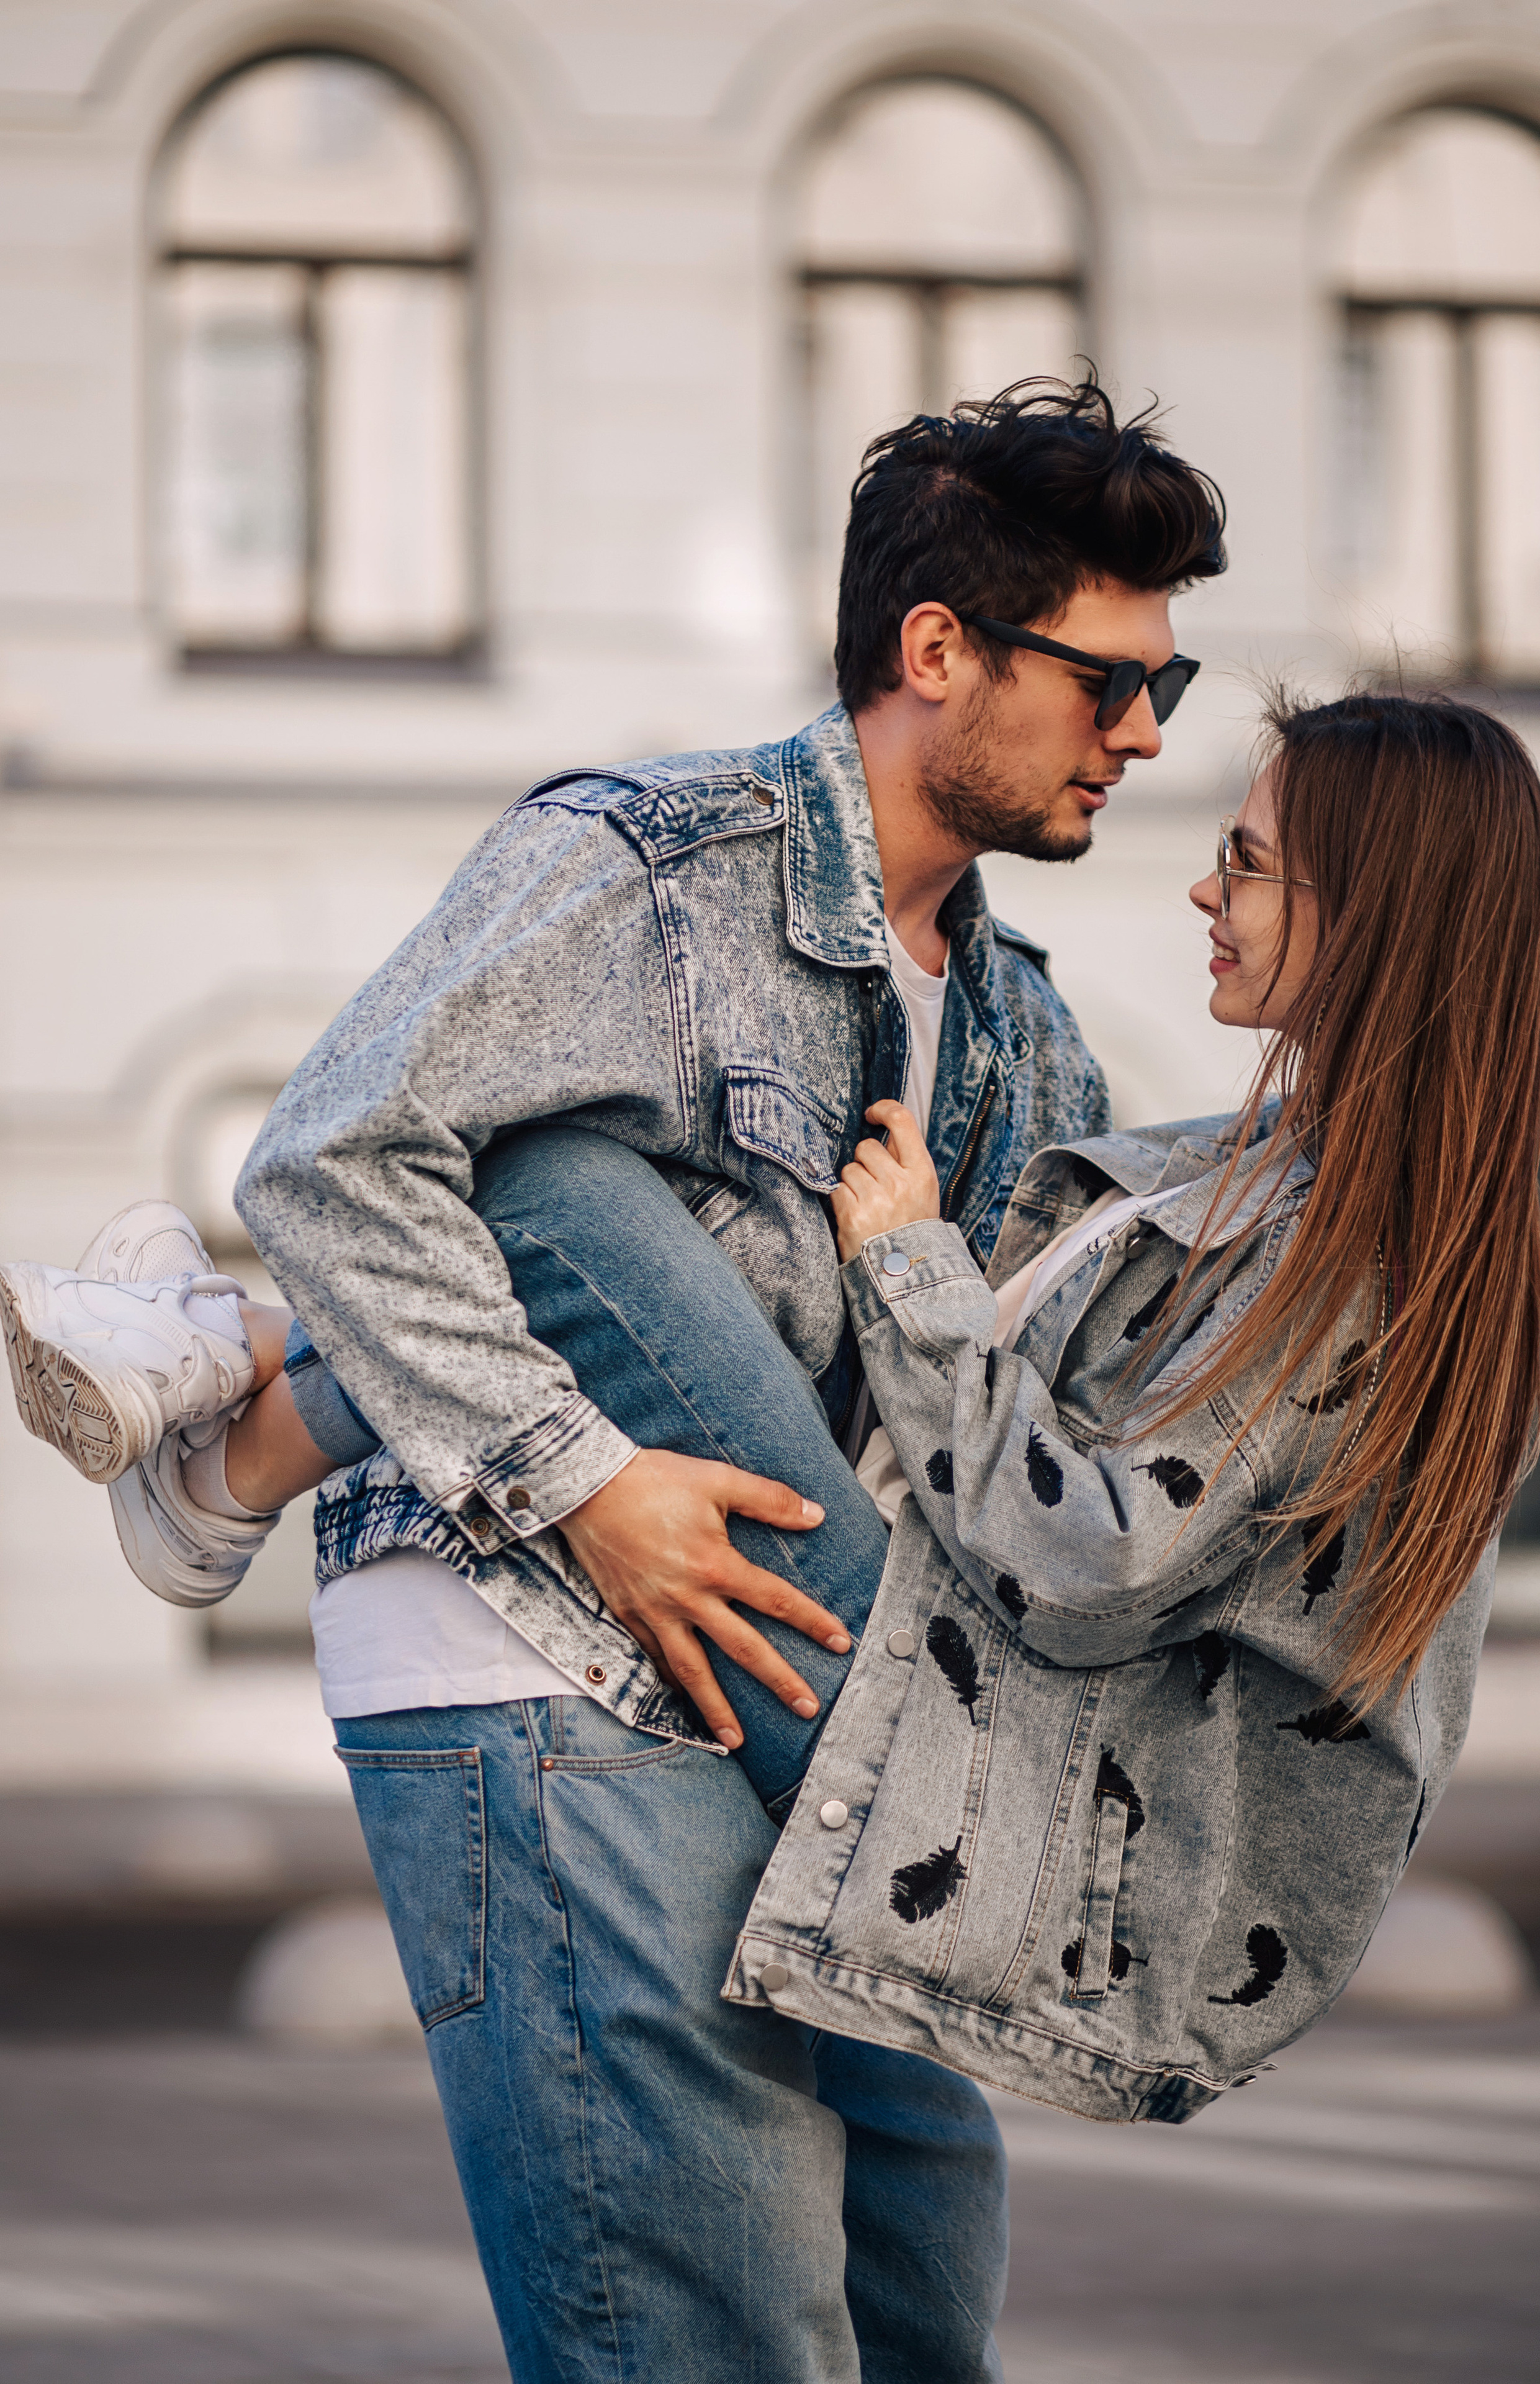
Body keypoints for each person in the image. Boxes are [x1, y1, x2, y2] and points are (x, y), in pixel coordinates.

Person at [0, 381, 1227, 2383]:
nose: (1148, 737)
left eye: (1166, 687)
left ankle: (227, 1404)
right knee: (715, 2298)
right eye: (1108, 684)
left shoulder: (1024, 1035)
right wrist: (583, 1478)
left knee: (929, 2228)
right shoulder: (647, 867)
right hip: (527, 1625)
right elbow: (330, 1154)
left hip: (772, 1669)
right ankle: (234, 1406)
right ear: (939, 654)